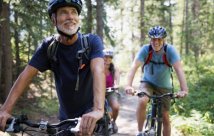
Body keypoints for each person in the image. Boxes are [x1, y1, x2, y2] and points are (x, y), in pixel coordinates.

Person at [0, 0, 105, 135]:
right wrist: (5, 110)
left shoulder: (91, 41)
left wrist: (98, 110)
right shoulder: (49, 47)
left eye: (74, 12)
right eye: (64, 12)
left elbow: (98, 70)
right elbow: (25, 75)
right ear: (54, 19)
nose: (70, 17)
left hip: (93, 114)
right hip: (66, 120)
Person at [125, 26, 188, 136]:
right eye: (153, 39)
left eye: (159, 39)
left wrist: (184, 90)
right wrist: (128, 85)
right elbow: (134, 67)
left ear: (164, 40)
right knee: (142, 100)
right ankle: (140, 132)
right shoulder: (146, 50)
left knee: (165, 118)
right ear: (150, 40)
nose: (156, 42)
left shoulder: (170, 51)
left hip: (164, 86)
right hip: (147, 83)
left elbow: (179, 69)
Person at [103, 49, 120, 133]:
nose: (107, 59)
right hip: (99, 92)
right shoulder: (98, 67)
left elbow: (117, 80)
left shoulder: (114, 69)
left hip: (110, 91)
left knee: (116, 107)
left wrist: (116, 85)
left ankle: (113, 122)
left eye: (109, 58)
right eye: (105, 57)